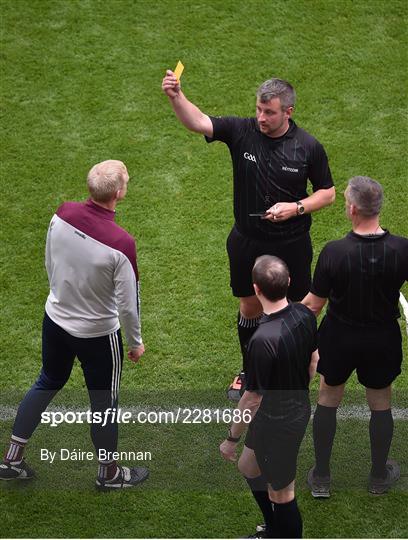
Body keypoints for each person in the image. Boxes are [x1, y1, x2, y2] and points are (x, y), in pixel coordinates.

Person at [162, 71, 335, 399]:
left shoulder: (308, 147)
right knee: (249, 306)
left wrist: (295, 207)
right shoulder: (242, 131)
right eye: (258, 109)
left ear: (288, 112)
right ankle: (250, 370)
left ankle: (292, 369)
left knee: (295, 310)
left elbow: (327, 193)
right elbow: (197, 121)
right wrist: (176, 97)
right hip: (247, 242)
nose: (261, 118)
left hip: (291, 244)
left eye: (269, 112)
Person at [0, 160, 149, 490]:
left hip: (55, 320)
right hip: (97, 335)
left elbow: (49, 257)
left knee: (47, 381)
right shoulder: (121, 243)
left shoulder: (62, 213)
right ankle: (108, 474)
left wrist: (58, 295)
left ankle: (12, 458)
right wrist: (135, 342)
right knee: (104, 404)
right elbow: (128, 302)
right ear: (120, 193)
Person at [302, 176, 408, 497]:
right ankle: (378, 477)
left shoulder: (334, 252)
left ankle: (321, 477)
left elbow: (313, 306)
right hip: (382, 339)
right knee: (380, 404)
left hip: (339, 338)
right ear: (377, 208)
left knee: (327, 400)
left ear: (351, 209)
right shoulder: (402, 249)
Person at [220, 255, 319, 538]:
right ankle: (273, 529)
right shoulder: (303, 314)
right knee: (248, 466)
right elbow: (314, 361)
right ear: (289, 282)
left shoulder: (262, 341)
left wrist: (231, 439)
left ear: (256, 289)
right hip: (288, 411)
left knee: (282, 494)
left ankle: (282, 533)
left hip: (279, 423)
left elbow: (252, 398)